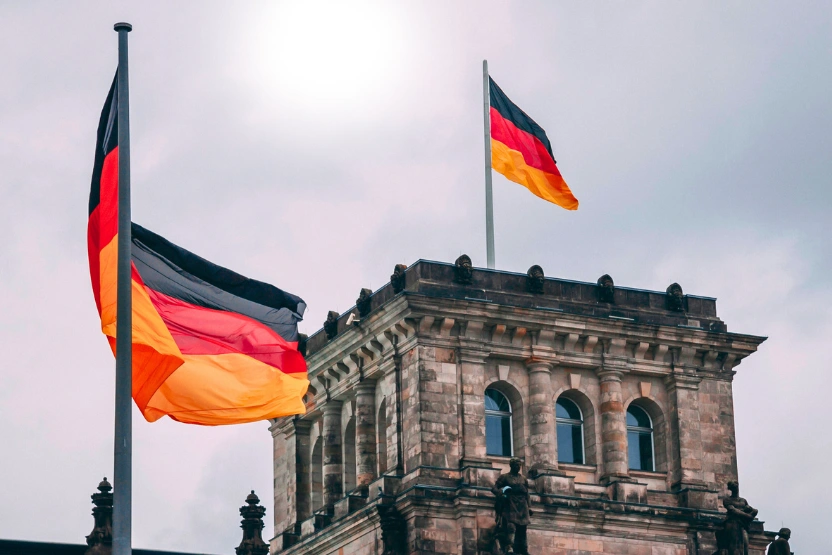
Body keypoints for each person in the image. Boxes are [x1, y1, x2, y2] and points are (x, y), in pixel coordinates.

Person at [492, 458, 533, 555]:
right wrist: (501, 493)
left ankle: (524, 549)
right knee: (511, 527)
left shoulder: (523, 479)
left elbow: (527, 494)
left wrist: (530, 506)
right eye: (516, 465)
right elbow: (494, 488)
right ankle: (509, 547)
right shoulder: (505, 477)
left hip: (522, 506)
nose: (518, 467)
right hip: (510, 504)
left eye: (519, 465)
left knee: (523, 528)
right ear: (511, 466)